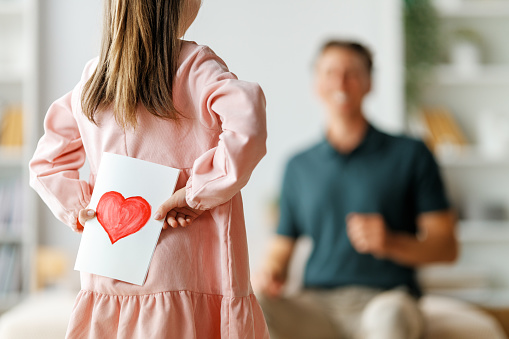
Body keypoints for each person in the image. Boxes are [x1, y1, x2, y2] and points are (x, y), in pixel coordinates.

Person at [29, 0, 269, 338]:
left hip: (109, 263)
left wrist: (79, 208)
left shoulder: (95, 77)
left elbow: (45, 164)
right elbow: (249, 124)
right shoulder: (194, 66)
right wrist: (198, 190)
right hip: (190, 269)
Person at [254, 40, 458, 339]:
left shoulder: (411, 154)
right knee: (255, 305)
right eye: (330, 72)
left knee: (389, 319)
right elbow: (281, 248)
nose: (341, 82)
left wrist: (391, 242)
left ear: (369, 83)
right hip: (317, 306)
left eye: (352, 73)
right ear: (317, 83)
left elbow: (447, 247)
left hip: (387, 299)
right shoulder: (298, 165)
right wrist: (271, 271)